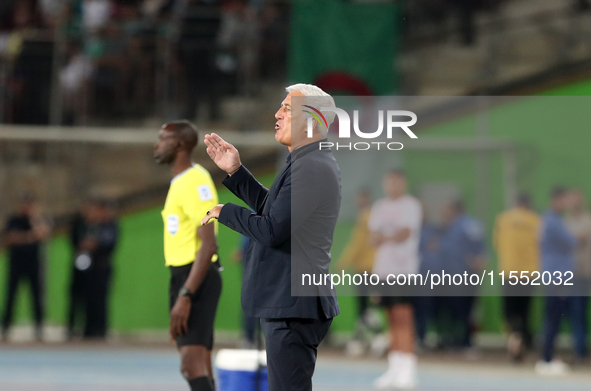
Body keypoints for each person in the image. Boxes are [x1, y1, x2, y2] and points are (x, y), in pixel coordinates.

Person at [201, 83, 341, 391]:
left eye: (287, 109)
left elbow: (272, 229)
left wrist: (225, 212)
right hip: (290, 302)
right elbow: (278, 213)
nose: (277, 114)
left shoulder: (311, 166)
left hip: (293, 304)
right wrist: (236, 173)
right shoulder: (307, 161)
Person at [154, 120, 222, 391]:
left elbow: (209, 244)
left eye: (162, 140)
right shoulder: (182, 180)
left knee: (191, 365)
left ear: (180, 144)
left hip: (196, 277)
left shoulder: (195, 182)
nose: (156, 145)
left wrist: (185, 294)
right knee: (200, 366)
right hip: (187, 275)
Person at [369, 170, 422, 389]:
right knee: (390, 319)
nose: (393, 186)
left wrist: (385, 236)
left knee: (403, 317)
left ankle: (409, 370)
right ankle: (394, 367)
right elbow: (373, 239)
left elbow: (404, 234)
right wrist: (384, 237)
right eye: (389, 182)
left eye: (397, 182)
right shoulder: (379, 207)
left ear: (403, 183)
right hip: (383, 272)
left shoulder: (411, 205)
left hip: (404, 272)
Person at [493, 193, 540, 361]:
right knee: (524, 313)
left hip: (509, 272)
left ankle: (514, 343)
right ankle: (524, 343)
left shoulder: (503, 219)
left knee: (509, 313)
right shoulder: (536, 221)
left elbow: (497, 244)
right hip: (528, 273)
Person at [536, 187, 577, 375]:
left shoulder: (553, 220)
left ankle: (548, 357)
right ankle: (546, 359)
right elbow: (571, 241)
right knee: (553, 317)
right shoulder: (553, 221)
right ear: (557, 200)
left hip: (555, 273)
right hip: (556, 274)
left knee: (554, 316)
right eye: (565, 200)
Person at [1, 193, 51, 342]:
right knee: (11, 297)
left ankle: (39, 329)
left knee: (37, 297)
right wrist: (29, 236)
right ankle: (5, 328)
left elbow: (43, 234)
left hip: (33, 265)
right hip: (16, 263)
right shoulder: (13, 220)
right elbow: (9, 238)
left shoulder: (39, 219)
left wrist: (34, 221)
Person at [68, 198, 119, 340]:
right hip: (87, 269)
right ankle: (85, 330)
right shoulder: (84, 224)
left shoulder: (109, 225)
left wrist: (94, 245)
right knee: (84, 300)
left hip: (101, 267)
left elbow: (108, 244)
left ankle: (100, 330)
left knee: (101, 301)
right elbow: (74, 240)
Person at [438, 199, 486, 350]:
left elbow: (479, 250)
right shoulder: (449, 227)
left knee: (465, 310)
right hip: (452, 276)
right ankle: (457, 340)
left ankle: (467, 342)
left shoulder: (468, 225)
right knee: (455, 310)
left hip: (464, 275)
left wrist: (477, 261)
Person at [337, 188, 378, 346]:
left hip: (367, 268)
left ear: (365, 200)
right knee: (367, 305)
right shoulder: (371, 217)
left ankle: (374, 335)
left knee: (365, 306)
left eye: (360, 199)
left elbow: (357, 245)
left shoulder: (365, 218)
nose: (357, 202)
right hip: (368, 267)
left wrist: (342, 264)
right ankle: (368, 336)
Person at [565, 189, 591, 362]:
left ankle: (581, 349)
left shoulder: (587, 221)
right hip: (572, 273)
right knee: (575, 312)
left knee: (579, 311)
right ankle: (580, 348)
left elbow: (579, 239)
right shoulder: (565, 222)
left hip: (585, 273)